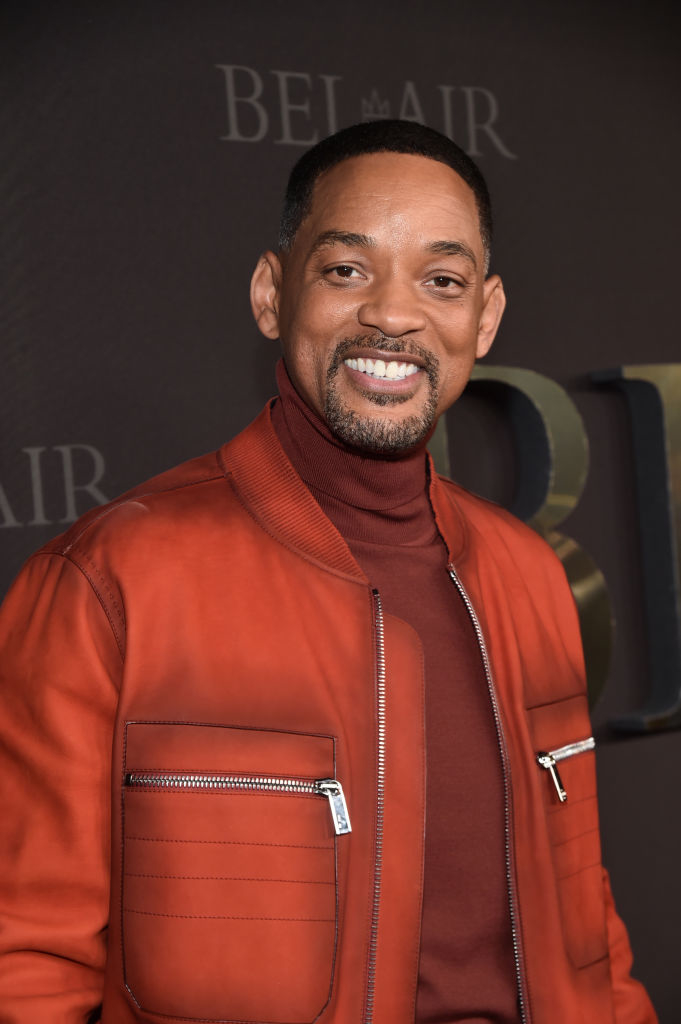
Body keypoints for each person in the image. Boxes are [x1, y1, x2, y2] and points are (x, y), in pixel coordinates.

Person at [0, 120, 656, 1023]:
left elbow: (587, 930)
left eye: (442, 280)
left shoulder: (531, 575)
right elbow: (23, 966)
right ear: (273, 294)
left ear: (485, 317)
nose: (393, 313)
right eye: (346, 270)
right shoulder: (108, 581)